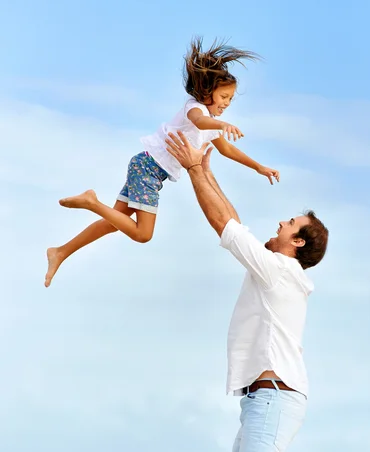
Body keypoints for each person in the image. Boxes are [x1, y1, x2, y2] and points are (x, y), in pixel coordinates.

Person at [164, 131, 329, 452]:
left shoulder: (278, 270)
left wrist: (193, 169)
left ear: (297, 242)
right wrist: (205, 170)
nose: (280, 222)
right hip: (264, 398)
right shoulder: (275, 268)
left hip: (275, 397)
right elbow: (235, 223)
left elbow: (223, 224)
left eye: (290, 223)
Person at [44, 38, 279, 287]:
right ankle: (91, 202)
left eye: (231, 99)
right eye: (224, 96)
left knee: (113, 223)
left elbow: (227, 149)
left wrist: (258, 167)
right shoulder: (195, 107)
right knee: (142, 234)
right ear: (207, 92)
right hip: (148, 168)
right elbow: (199, 121)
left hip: (147, 169)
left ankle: (60, 252)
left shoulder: (211, 123)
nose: (227, 103)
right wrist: (221, 124)